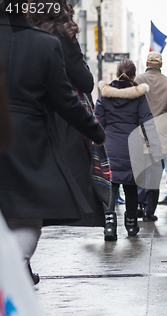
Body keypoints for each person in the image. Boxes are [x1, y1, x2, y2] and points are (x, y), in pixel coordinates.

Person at [0, 0, 106, 283]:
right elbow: (76, 90)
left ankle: (15, 270)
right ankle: (14, 270)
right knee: (30, 210)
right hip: (36, 131)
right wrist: (95, 130)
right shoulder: (50, 41)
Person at [27, 0, 107, 228]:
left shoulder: (19, 29)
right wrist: (95, 131)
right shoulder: (60, 36)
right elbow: (83, 82)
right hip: (57, 125)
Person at [95, 59, 160, 241]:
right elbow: (148, 122)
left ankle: (109, 226)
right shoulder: (139, 96)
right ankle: (131, 225)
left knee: (111, 187)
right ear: (133, 76)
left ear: (116, 74)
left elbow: (97, 122)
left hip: (109, 147)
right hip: (132, 148)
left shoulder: (105, 95)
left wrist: (93, 144)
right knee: (131, 187)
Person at [134, 51, 167, 221]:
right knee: (154, 173)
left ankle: (138, 204)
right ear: (160, 65)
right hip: (161, 134)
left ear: (147, 63)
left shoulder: (138, 80)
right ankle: (149, 211)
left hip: (140, 131)